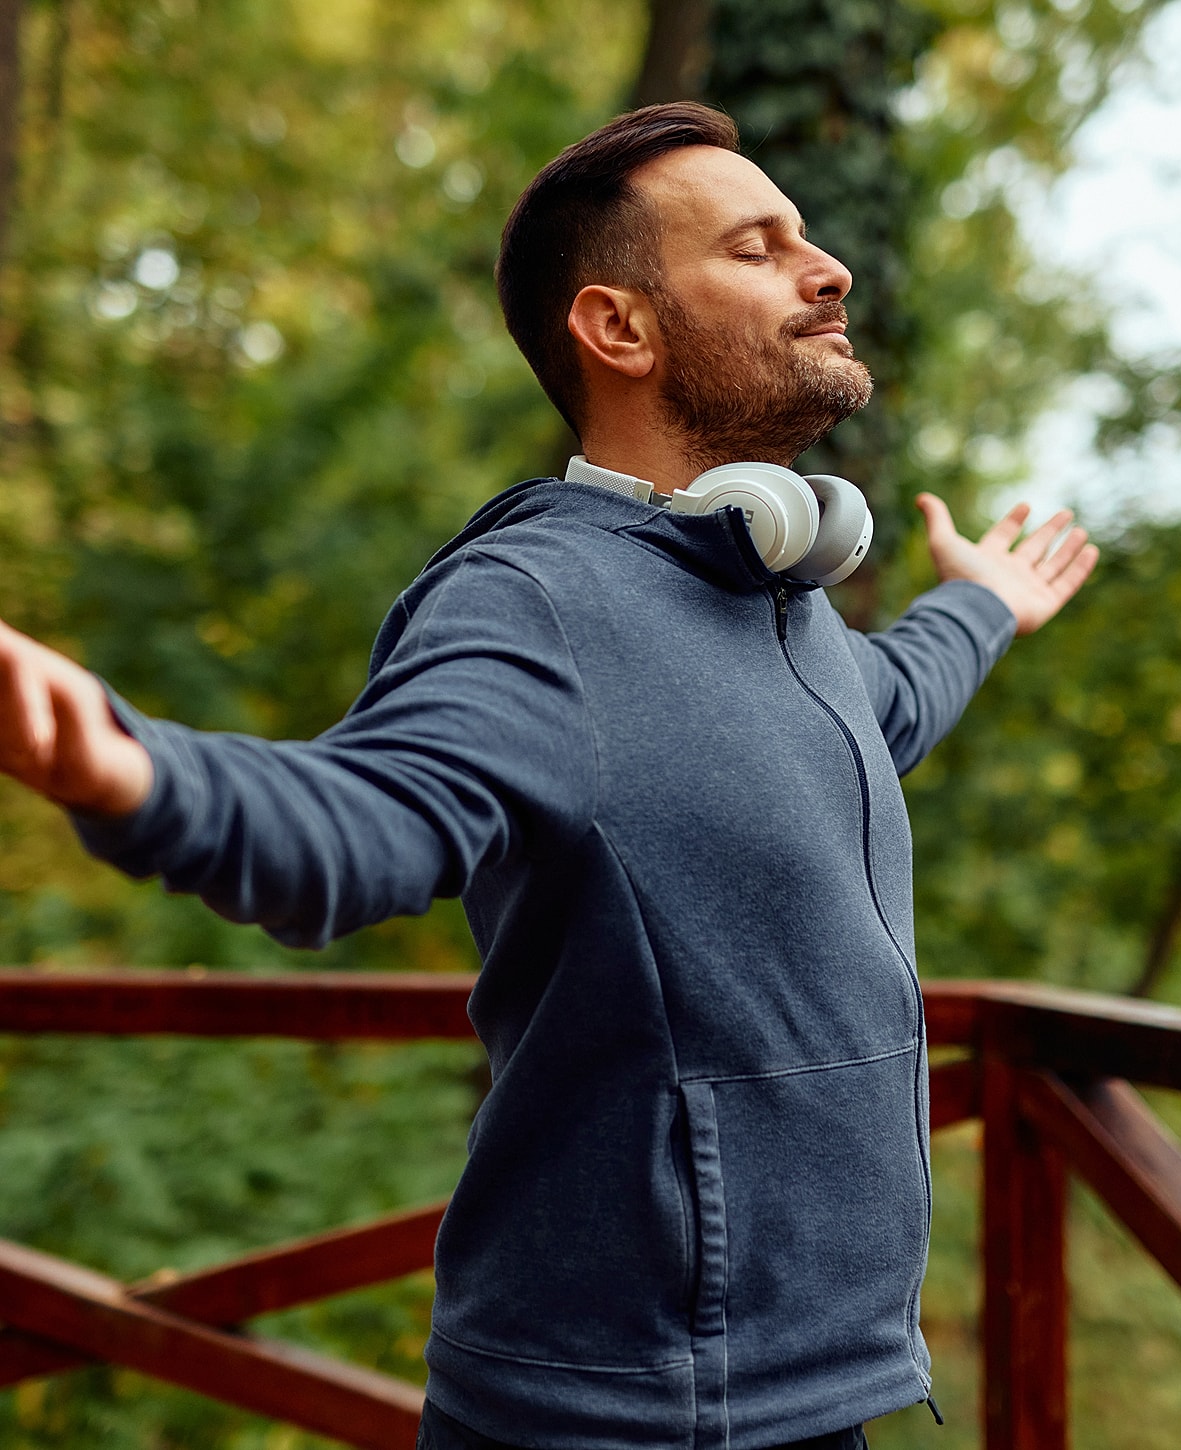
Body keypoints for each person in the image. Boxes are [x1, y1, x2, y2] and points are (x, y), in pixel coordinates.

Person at [0, 104, 1095, 1450]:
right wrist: (132, 769)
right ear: (620, 330)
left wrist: (980, 609)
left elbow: (892, 702)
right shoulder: (531, 601)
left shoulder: (787, 611)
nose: (831, 271)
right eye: (759, 249)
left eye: (809, 239)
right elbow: (365, 821)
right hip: (620, 1416)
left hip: (815, 1392)